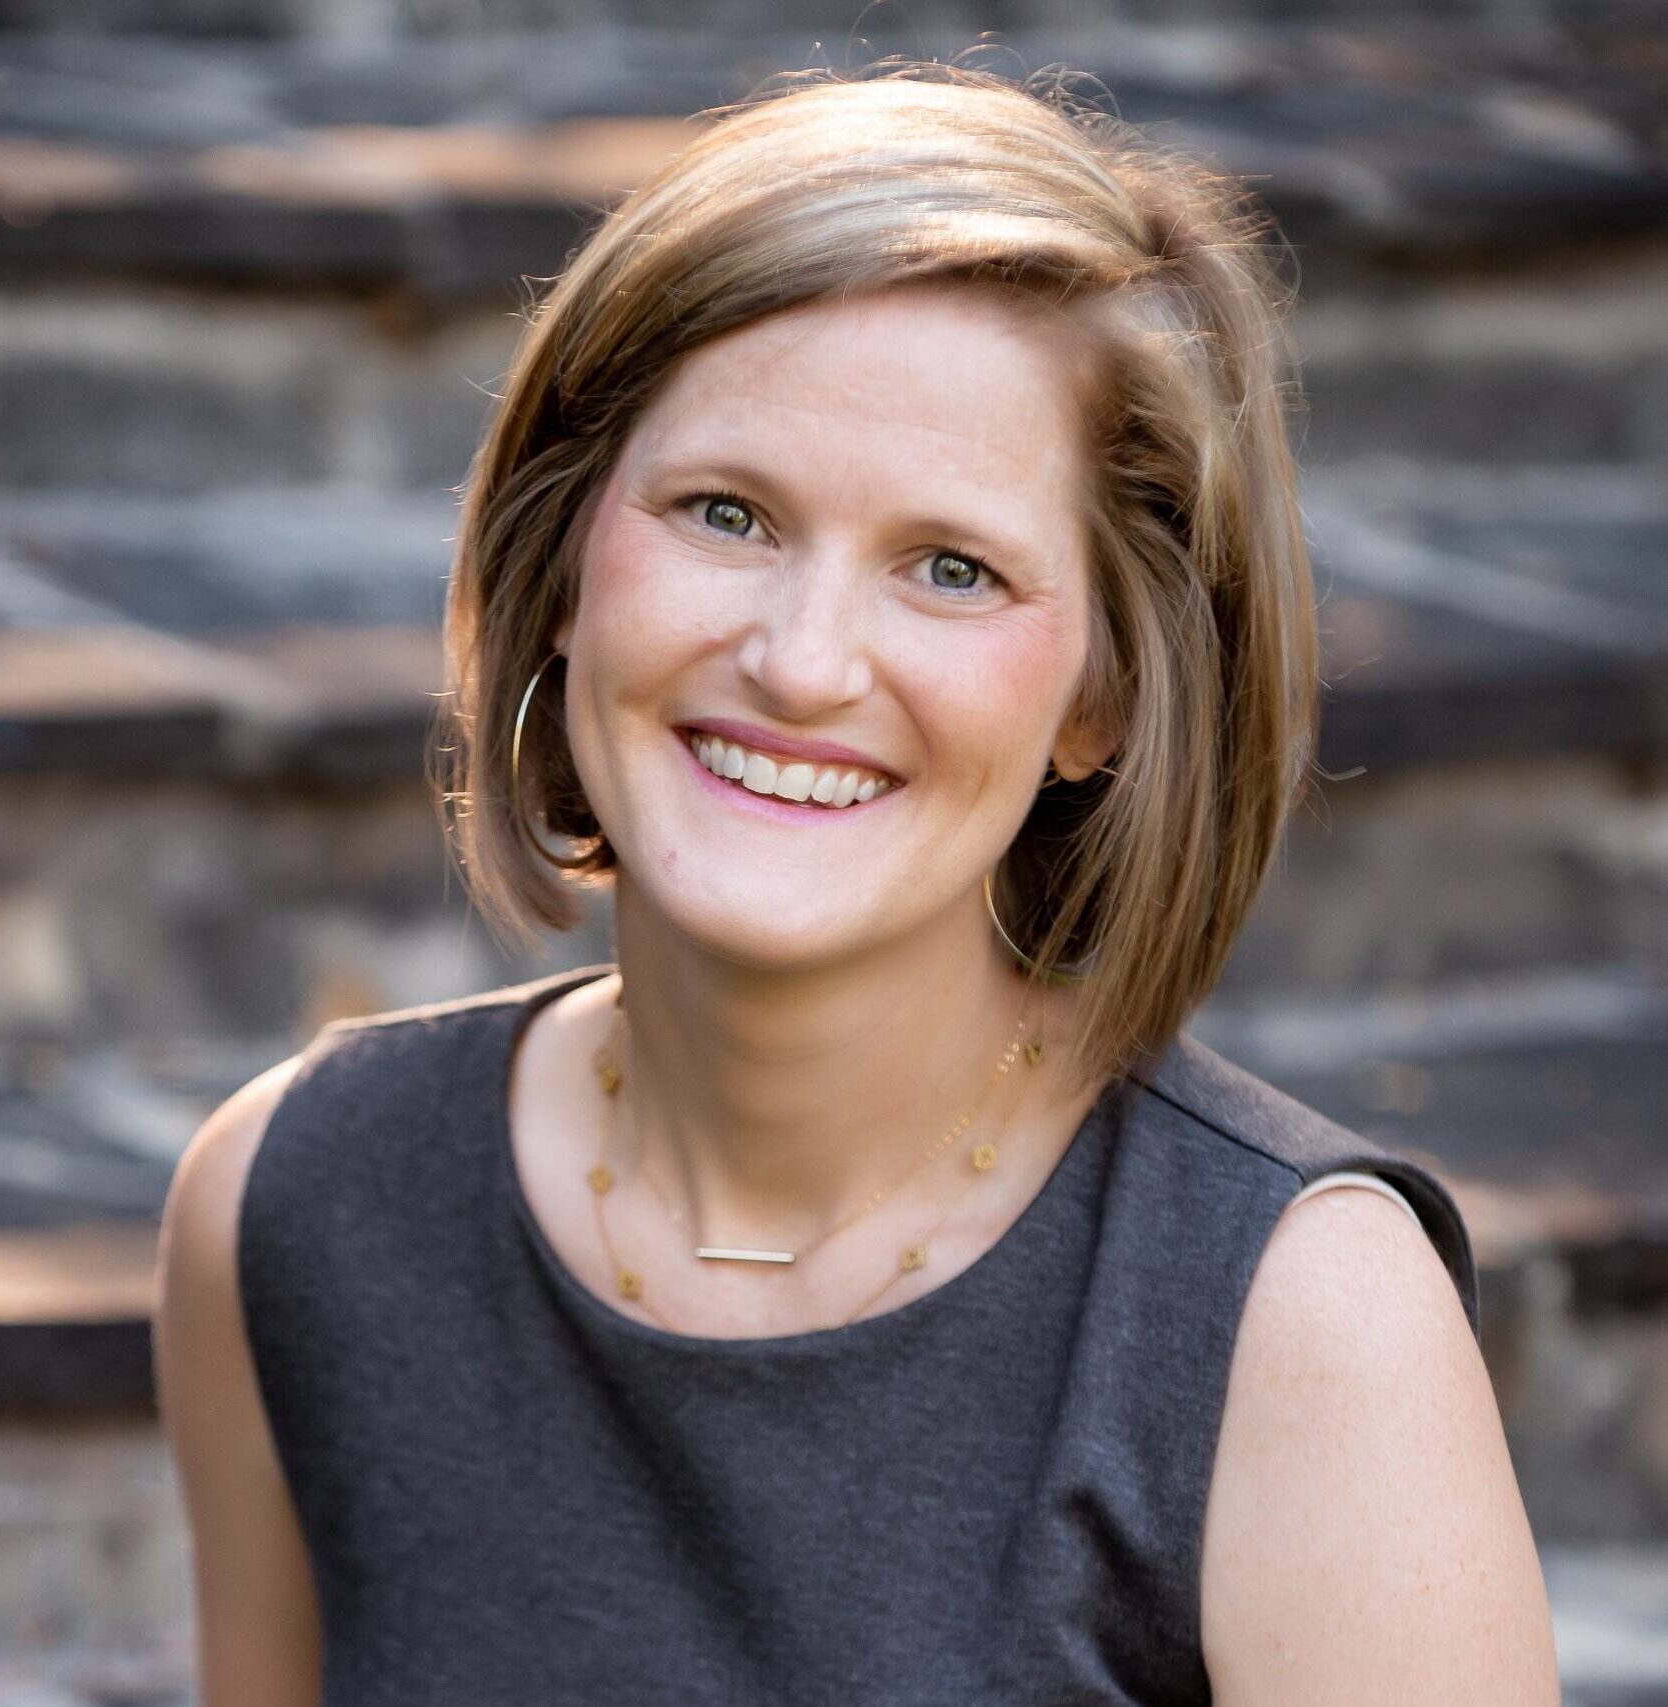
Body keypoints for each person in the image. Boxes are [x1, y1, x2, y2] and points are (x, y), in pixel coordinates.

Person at [152, 64, 1560, 1706]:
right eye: (725, 513)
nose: (804, 662)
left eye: (952, 568)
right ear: (564, 566)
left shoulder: (1303, 1322)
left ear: (1103, 702)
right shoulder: (290, 1203)